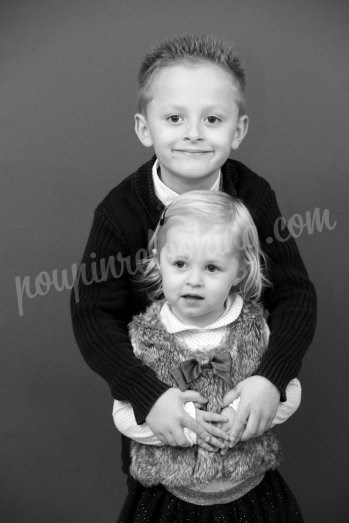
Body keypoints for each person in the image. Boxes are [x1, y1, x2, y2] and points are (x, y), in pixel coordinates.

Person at [70, 33, 316, 479]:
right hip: (164, 406)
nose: (193, 134)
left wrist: (271, 378)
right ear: (146, 128)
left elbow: (296, 294)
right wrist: (146, 395)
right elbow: (92, 315)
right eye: (174, 117)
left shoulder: (254, 197)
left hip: (237, 401)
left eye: (213, 119)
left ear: (237, 130)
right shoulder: (120, 212)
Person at [113, 190, 303, 522]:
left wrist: (243, 416)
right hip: (171, 501)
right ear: (159, 261)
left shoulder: (256, 328)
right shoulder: (145, 336)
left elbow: (290, 391)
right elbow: (123, 415)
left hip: (251, 494)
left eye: (212, 267)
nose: (194, 280)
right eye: (180, 264)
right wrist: (184, 426)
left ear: (240, 272)